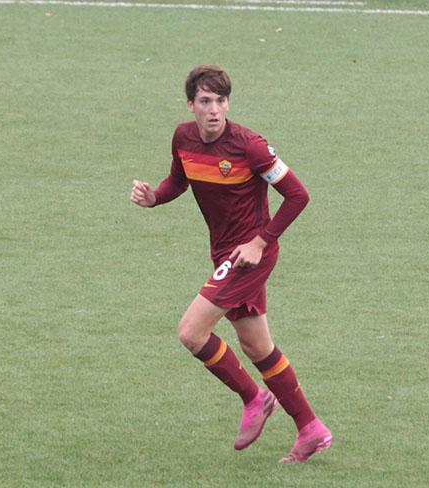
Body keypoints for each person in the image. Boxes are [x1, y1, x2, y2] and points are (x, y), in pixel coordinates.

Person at [130, 65, 332, 463]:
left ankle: (255, 398)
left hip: (250, 255)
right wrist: (155, 198)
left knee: (191, 332)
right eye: (205, 101)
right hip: (225, 253)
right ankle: (311, 428)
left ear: (228, 104)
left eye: (220, 101)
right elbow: (179, 180)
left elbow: (298, 196)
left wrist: (260, 241)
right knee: (257, 346)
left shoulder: (250, 147)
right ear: (190, 105)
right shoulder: (183, 138)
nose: (214, 110)